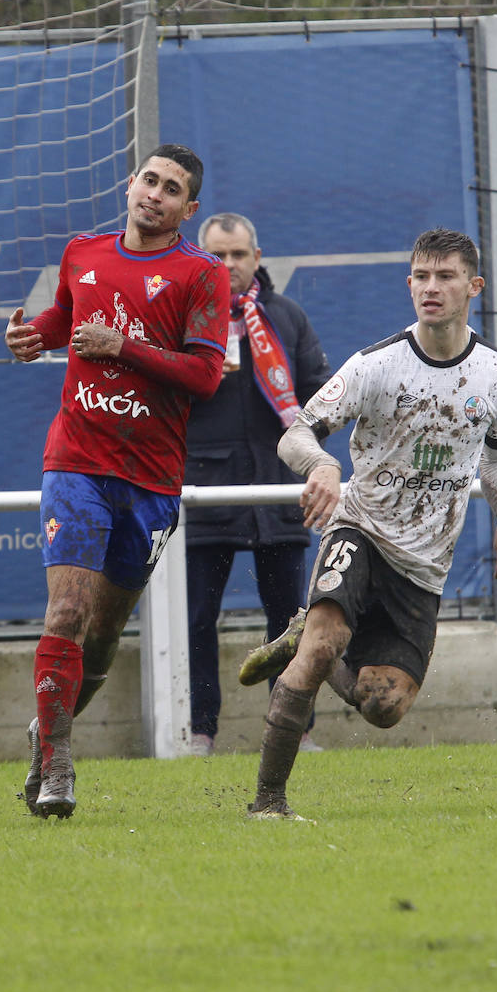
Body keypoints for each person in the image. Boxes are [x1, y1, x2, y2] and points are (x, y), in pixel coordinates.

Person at [239, 228, 497, 820]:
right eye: (421, 277)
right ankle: (267, 803)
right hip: (360, 531)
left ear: (473, 286)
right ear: (409, 284)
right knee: (325, 646)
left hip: (424, 563)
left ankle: (305, 639)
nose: (431, 288)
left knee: (383, 707)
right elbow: (295, 431)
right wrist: (323, 463)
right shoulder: (375, 366)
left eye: (445, 276)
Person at [4, 143, 229, 818]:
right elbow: (65, 320)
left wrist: (123, 346)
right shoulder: (84, 252)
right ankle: (59, 765)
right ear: (131, 184)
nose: (153, 194)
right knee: (67, 613)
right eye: (148, 180)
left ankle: (48, 730)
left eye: (170, 189)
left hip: (152, 479)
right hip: (76, 458)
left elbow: (206, 376)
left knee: (101, 636)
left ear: (188, 209)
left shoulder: (202, 275)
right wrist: (33, 337)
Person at [183, 213, 331, 757]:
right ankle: (199, 732)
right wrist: (194, 375)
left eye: (237, 255)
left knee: (291, 621)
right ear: (199, 260)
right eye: (216, 256)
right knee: (197, 619)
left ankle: (296, 730)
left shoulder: (287, 317)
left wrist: (310, 448)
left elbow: (321, 398)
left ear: (257, 257)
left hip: (279, 493)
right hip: (202, 493)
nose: (227, 266)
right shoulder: (182, 319)